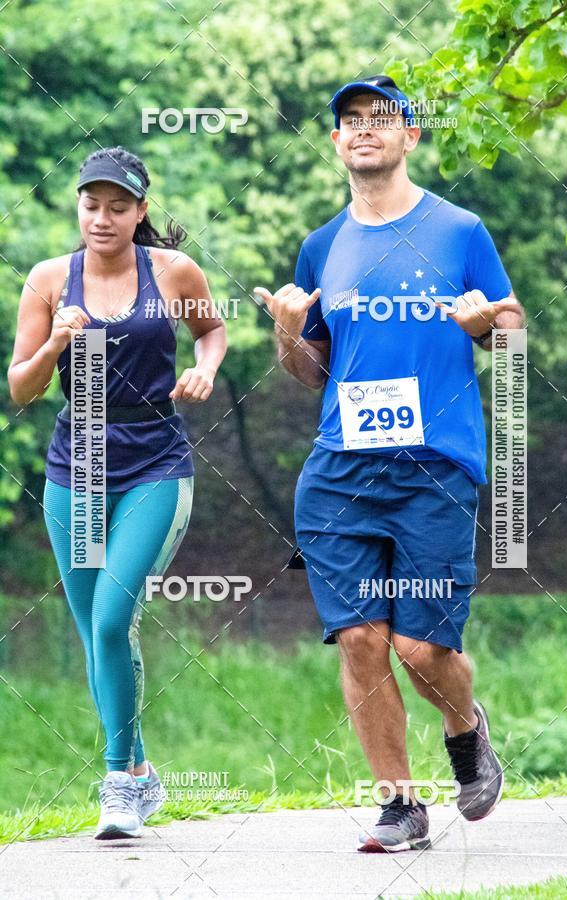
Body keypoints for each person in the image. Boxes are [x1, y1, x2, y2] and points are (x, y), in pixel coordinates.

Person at [255, 75, 525, 852]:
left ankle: (466, 727)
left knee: (421, 647)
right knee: (363, 638)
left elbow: (510, 332)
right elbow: (312, 370)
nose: (364, 129)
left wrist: (486, 325)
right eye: (349, 121)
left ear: (411, 137)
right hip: (340, 469)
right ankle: (400, 804)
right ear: (336, 143)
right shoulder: (320, 246)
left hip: (435, 466)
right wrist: (284, 333)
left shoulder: (460, 229)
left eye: (382, 119)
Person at [8, 146, 226, 839]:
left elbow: (212, 329)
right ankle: (139, 775)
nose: (102, 218)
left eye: (118, 206)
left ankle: (115, 780)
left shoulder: (171, 272)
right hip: (80, 463)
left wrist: (204, 369)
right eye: (90, 204)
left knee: (110, 621)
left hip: (155, 462)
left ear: (140, 211)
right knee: (93, 630)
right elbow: (20, 389)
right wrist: (54, 346)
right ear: (78, 207)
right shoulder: (47, 279)